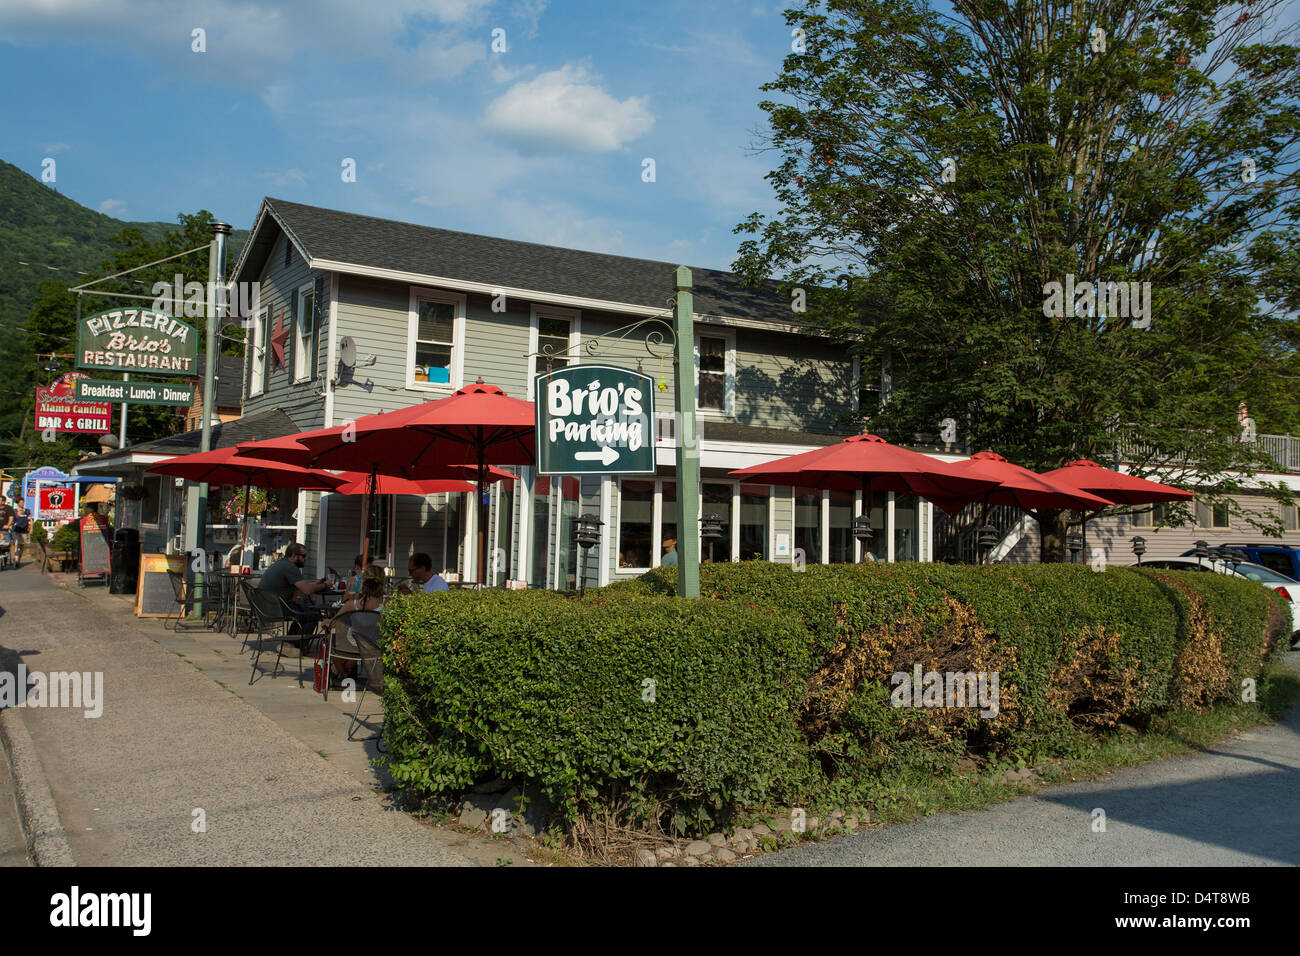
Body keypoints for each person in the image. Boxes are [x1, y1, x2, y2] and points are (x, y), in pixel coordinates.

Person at [258, 542, 329, 639]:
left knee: (305, 612)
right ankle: (293, 645)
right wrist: (325, 585)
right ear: (294, 556)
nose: (305, 559)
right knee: (313, 615)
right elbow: (307, 590)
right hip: (275, 609)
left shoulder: (282, 563)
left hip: (265, 606)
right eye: (303, 556)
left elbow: (301, 585)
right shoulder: (290, 568)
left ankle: (290, 643)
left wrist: (316, 584)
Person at [327, 565, 386, 679]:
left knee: (330, 639)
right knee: (358, 643)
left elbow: (333, 623)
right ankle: (343, 672)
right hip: (375, 647)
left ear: (363, 580)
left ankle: (341, 672)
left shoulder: (352, 604)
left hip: (353, 646)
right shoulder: (387, 603)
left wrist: (326, 622)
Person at [10, 503, 31, 570]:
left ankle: (18, 560)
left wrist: (30, 529)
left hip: (24, 532)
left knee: (22, 546)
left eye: (21, 511)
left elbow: (30, 522)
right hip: (16, 532)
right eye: (18, 511)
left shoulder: (26, 516)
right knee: (17, 544)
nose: (19, 512)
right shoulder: (15, 518)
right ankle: (15, 558)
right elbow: (12, 523)